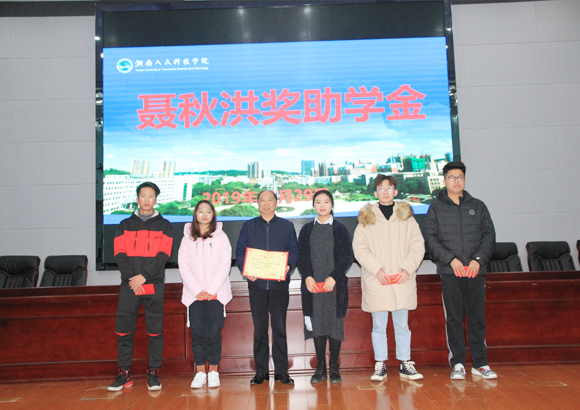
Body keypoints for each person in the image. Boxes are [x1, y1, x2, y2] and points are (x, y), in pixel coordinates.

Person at [424, 161, 497, 380]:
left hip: (475, 271)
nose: (456, 181)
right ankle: (457, 363)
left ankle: (480, 363)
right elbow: (431, 239)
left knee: (477, 319)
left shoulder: (478, 206)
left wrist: (477, 260)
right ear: (444, 180)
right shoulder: (436, 208)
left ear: (465, 180)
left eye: (460, 177)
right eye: (452, 177)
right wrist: (451, 260)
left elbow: (489, 236)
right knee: (454, 318)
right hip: (450, 272)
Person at [352, 174, 425, 382]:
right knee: (378, 326)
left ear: (396, 191)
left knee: (402, 325)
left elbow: (417, 246)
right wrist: (377, 269)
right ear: (375, 193)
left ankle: (405, 362)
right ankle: (380, 363)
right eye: (381, 188)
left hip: (401, 279)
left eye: (389, 188)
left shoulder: (407, 217)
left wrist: (407, 269)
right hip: (379, 280)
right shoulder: (367, 218)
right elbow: (360, 249)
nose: (385, 191)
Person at [108, 182, 173, 391]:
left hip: (154, 284)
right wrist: (133, 279)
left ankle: (153, 374)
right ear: (137, 199)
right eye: (143, 195)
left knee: (155, 331)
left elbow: (164, 255)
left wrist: (144, 276)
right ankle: (124, 374)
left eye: (151, 196)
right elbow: (119, 253)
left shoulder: (165, 225)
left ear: (156, 200)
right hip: (130, 285)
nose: (147, 199)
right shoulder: (124, 224)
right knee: (123, 330)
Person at [235, 190, 299, 385]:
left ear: (276, 203)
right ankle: (261, 372)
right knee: (260, 330)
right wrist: (246, 270)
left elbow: (294, 250)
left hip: (279, 286)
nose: (266, 203)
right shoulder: (249, 226)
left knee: (279, 329)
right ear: (257, 204)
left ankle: (282, 372)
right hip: (257, 286)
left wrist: (289, 266)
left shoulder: (287, 226)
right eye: (262, 200)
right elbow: (240, 251)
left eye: (270, 200)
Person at [297, 190, 353, 384]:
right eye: (318, 202)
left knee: (334, 325)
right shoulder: (306, 230)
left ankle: (334, 367)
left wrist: (334, 277)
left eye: (326, 202)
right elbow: (301, 257)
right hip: (313, 286)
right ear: (313, 205)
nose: (322, 205)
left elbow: (346, 257)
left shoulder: (340, 229)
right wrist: (307, 276)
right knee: (318, 325)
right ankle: (320, 367)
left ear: (332, 205)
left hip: (334, 286)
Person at [178, 200, 232, 389]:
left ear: (213, 215)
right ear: (195, 214)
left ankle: (214, 371)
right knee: (198, 333)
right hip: (194, 295)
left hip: (216, 294)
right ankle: (200, 372)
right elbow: (183, 266)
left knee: (214, 333)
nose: (204, 214)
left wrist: (210, 290)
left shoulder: (221, 237)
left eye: (208, 211)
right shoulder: (187, 238)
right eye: (200, 211)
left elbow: (225, 265)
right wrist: (197, 291)